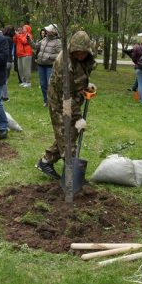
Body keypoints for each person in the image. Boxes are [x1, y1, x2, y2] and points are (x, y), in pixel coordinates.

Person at [35, 30, 96, 180]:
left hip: (73, 100)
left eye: (83, 53)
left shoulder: (86, 58)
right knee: (66, 136)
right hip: (59, 101)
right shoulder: (63, 62)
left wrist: (85, 86)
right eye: (77, 53)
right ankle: (72, 178)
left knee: (70, 134)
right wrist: (78, 118)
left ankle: (46, 161)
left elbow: (80, 75)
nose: (80, 56)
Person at [35, 24, 62, 107]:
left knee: (50, 84)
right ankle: (46, 101)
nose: (46, 31)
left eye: (48, 30)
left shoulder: (58, 42)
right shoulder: (44, 39)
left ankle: (52, 101)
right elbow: (36, 46)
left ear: (53, 32)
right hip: (41, 65)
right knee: (43, 84)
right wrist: (29, 40)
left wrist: (49, 56)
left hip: (50, 66)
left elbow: (60, 54)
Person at [13, 23, 34, 87]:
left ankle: (28, 82)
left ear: (28, 29)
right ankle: (23, 81)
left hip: (26, 53)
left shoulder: (29, 35)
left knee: (26, 68)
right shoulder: (21, 35)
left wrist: (18, 35)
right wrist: (15, 35)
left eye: (24, 28)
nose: (23, 29)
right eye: (23, 28)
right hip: (20, 54)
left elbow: (24, 42)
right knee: (20, 69)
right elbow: (15, 41)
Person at [1, 26, 15, 101]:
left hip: (5, 61)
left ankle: (5, 96)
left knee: (3, 80)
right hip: (10, 61)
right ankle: (2, 95)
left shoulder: (5, 39)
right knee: (5, 79)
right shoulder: (10, 39)